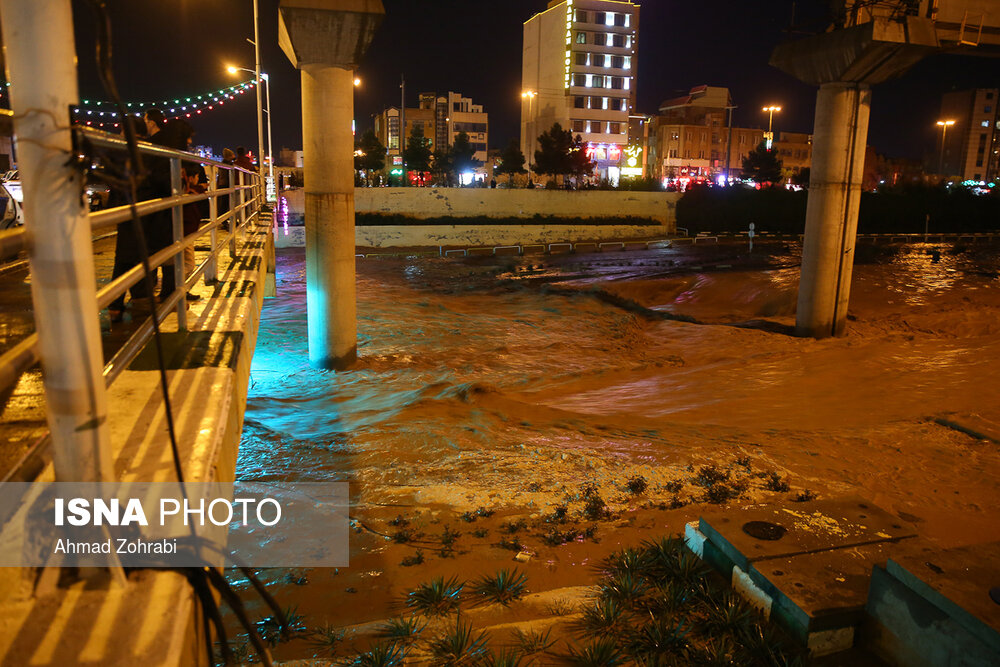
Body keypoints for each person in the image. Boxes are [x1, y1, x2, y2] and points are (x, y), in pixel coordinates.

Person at [107, 116, 149, 323]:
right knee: (137, 255)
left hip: (126, 207)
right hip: (145, 208)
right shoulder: (148, 149)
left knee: (124, 257)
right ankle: (136, 297)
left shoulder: (121, 149)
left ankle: (117, 304)